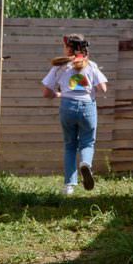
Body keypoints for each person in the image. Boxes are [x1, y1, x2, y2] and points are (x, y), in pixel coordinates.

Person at [41, 34, 108, 195]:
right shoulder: (91, 66)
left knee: (70, 146)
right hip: (87, 107)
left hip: (67, 107)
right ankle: (85, 163)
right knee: (87, 143)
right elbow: (103, 89)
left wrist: (59, 94)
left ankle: (69, 186)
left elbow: (46, 92)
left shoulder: (60, 66)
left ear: (69, 48)